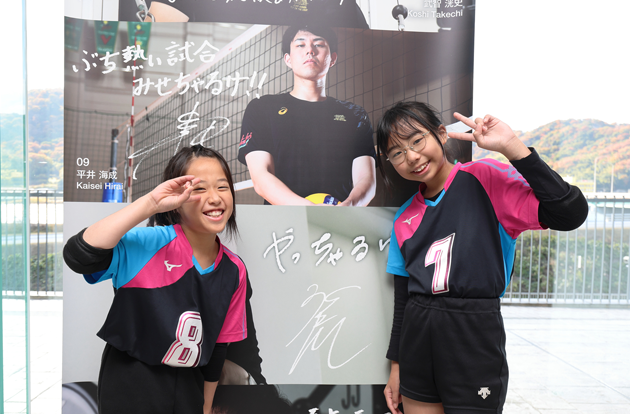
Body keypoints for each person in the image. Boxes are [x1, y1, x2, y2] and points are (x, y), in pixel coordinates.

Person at [376, 102, 588, 414]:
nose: (411, 157)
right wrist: (396, 366)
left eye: (417, 140)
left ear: (441, 134)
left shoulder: (485, 178)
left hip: (473, 336)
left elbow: (570, 213)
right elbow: (403, 301)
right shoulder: (403, 218)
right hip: (418, 343)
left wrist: (513, 147)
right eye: (397, 153)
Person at [63, 145, 248, 414]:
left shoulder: (235, 269)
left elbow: (218, 348)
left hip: (190, 389)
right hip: (130, 386)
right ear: (177, 200)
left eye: (222, 187)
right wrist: (150, 203)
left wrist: (206, 407)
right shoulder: (148, 244)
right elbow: (79, 255)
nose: (215, 198)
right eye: (199, 189)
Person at [237, 25, 376, 206]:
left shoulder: (355, 114)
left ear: (332, 58)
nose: (310, 50)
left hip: (339, 216)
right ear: (288, 59)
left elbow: (366, 179)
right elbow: (261, 177)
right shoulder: (262, 108)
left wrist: (347, 207)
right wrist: (309, 210)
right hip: (283, 219)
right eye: (300, 45)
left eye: (319, 44)